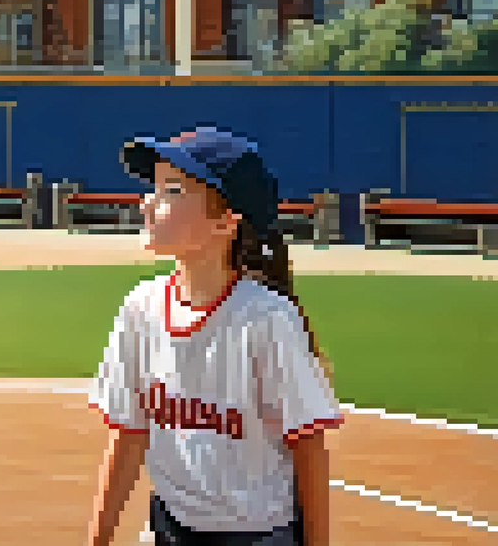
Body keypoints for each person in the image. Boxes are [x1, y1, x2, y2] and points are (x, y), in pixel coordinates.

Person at [86, 127, 340, 546]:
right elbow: (129, 435)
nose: (148, 202)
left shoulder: (265, 319)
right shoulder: (141, 308)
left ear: (226, 222)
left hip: (257, 535)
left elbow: (308, 447)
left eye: (173, 190)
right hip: (169, 528)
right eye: (154, 188)